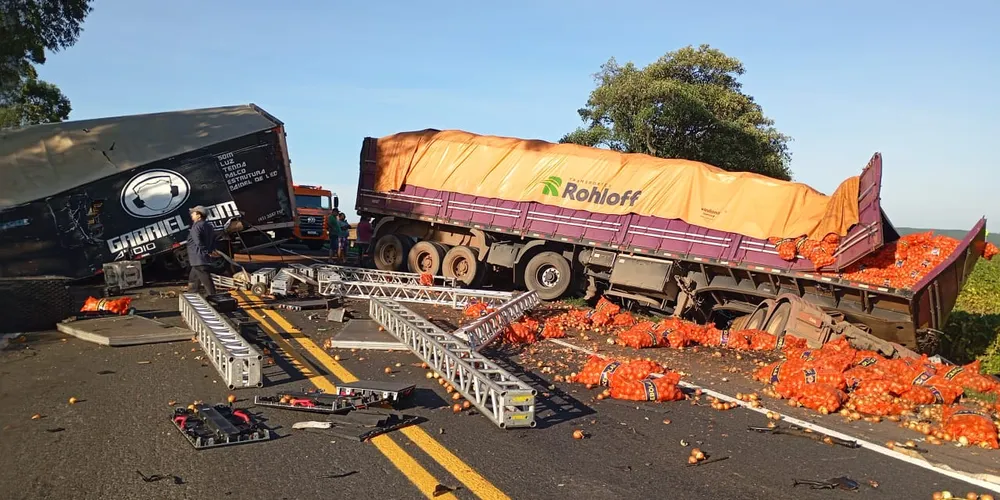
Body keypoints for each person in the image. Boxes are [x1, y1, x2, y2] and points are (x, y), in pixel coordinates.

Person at [186, 205, 218, 295]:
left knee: (206, 279)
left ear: (199, 215)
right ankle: (192, 294)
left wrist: (206, 251)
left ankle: (213, 297)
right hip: (200, 259)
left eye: (193, 213)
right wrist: (211, 251)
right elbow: (213, 240)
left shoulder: (196, 227)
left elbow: (198, 241)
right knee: (193, 277)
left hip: (198, 258)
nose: (191, 214)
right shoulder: (209, 226)